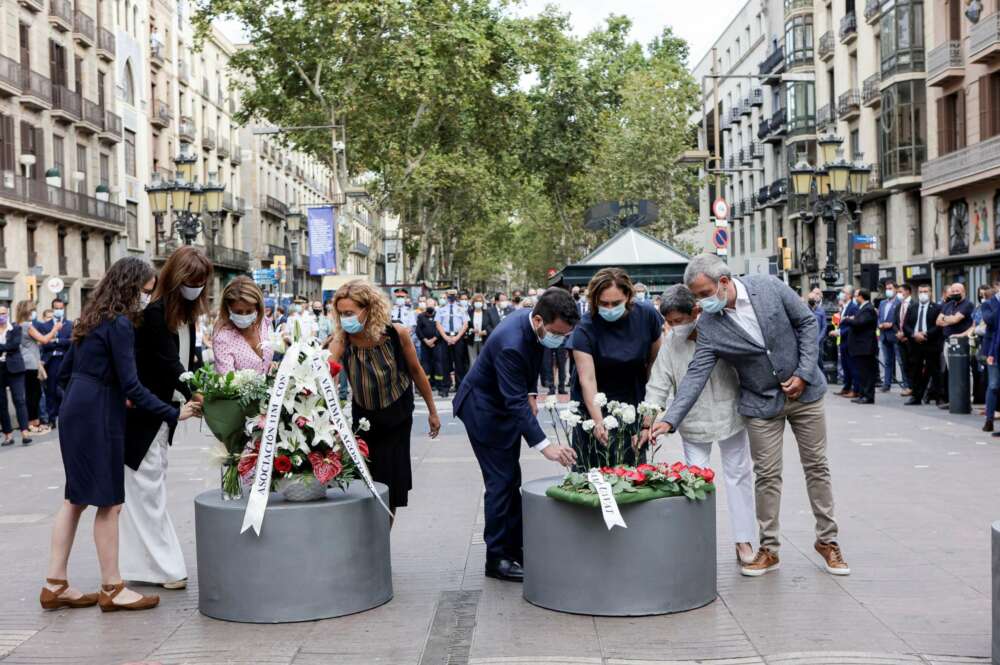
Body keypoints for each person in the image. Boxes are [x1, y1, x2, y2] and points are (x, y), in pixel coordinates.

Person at [651, 254, 849, 578]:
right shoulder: (710, 327)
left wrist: (803, 372)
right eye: (695, 297)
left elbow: (807, 323)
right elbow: (695, 376)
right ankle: (768, 549)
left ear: (724, 283)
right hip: (760, 403)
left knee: (816, 467)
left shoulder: (769, 287)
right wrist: (669, 419)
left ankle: (828, 542)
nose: (699, 303)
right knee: (766, 475)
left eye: (703, 294)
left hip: (805, 394)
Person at [43, 257, 199, 612]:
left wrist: (73, 407)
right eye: (146, 291)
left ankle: (55, 583)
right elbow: (132, 385)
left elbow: (63, 374)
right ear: (131, 288)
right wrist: (175, 411)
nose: (148, 298)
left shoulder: (90, 318)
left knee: (75, 499)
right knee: (109, 503)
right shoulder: (121, 324)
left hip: (76, 409)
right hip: (99, 410)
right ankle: (113, 588)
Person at [454, 288, 579, 582]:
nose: (559, 341)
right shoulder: (511, 342)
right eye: (557, 334)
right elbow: (514, 403)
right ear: (538, 320)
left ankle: (515, 548)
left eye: (565, 335)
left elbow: (534, 360)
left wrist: (532, 392)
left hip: (502, 403)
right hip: (483, 410)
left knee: (511, 479)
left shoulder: (532, 325)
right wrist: (546, 446)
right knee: (501, 483)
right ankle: (497, 558)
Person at [119, 246, 211, 591]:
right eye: (192, 281)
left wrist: (203, 391)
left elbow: (189, 363)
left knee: (146, 490)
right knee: (145, 490)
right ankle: (166, 568)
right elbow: (171, 366)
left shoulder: (181, 317)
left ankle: (150, 566)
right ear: (175, 279)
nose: (197, 287)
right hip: (146, 414)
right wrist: (198, 395)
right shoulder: (157, 315)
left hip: (157, 416)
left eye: (201, 282)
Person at [644, 285, 756, 565]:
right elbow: (658, 383)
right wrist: (649, 420)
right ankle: (698, 540)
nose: (674, 327)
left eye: (678, 321)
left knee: (739, 476)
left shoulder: (721, 328)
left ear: (695, 311)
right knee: (696, 479)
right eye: (669, 323)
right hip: (691, 420)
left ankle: (744, 540)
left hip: (730, 413)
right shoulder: (670, 343)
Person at [328, 281, 441, 517]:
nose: (345, 318)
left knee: (391, 485)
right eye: (341, 314)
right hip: (364, 418)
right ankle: (370, 537)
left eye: (349, 313)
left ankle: (381, 540)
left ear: (367, 309)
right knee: (366, 482)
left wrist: (432, 411)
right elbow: (328, 373)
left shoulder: (395, 333)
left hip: (397, 415)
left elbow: (416, 371)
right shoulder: (341, 340)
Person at [570, 268, 663, 469]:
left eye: (616, 303)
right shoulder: (584, 327)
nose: (610, 308)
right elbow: (587, 380)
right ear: (594, 301)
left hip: (633, 397)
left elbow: (656, 366)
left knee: (632, 469)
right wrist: (598, 421)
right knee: (593, 470)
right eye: (603, 304)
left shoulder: (647, 316)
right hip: (594, 400)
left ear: (628, 296)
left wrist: (649, 418)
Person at [211, 276, 274, 374]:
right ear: (228, 308)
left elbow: (265, 362)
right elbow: (228, 383)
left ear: (257, 307)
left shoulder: (263, 323)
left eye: (249, 311)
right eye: (238, 312)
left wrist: (271, 368)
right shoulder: (222, 338)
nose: (244, 316)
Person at [15, 300, 60, 434]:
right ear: (27, 312)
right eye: (32, 310)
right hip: (30, 364)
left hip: (26, 362)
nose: (33, 313)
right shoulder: (27, 326)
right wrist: (55, 329)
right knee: (34, 394)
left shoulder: (19, 325)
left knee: (32, 393)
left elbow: (32, 342)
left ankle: (33, 422)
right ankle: (33, 423)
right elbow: (44, 339)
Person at [902, 284, 944, 406]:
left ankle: (938, 397)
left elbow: (938, 326)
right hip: (915, 344)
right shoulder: (912, 307)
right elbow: (905, 325)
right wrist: (914, 334)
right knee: (915, 371)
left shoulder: (937, 308)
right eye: (920, 291)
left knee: (935, 371)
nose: (923, 294)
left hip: (930, 343)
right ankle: (916, 396)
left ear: (930, 293)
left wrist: (925, 334)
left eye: (925, 291)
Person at [937, 283, 974, 409]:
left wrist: (947, 319)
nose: (954, 293)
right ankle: (955, 399)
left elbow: (955, 320)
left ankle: (967, 398)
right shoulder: (948, 305)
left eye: (957, 291)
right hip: (947, 341)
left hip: (962, 341)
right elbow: (938, 321)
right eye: (952, 291)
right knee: (952, 371)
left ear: (964, 292)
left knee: (965, 371)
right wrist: (950, 318)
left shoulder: (967, 304)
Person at [38, 299, 73, 429]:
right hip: (51, 361)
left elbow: (71, 341)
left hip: (65, 360)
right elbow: (44, 343)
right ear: (52, 309)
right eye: (56, 307)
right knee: (51, 391)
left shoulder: (69, 325)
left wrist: (56, 340)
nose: (59, 309)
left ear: (64, 308)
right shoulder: (45, 325)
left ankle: (67, 417)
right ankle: (52, 419)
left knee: (66, 390)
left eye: (61, 307)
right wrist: (56, 342)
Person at [0, 305, 31, 446]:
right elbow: (10, 346)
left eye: (4, 313)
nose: (2, 315)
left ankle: (25, 432)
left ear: (8, 313)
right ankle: (8, 435)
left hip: (15, 369)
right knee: (1, 404)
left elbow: (14, 345)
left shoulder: (15, 328)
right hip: (0, 370)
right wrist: (6, 346)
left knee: (19, 400)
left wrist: (3, 347)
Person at [842, 288, 878, 404]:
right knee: (861, 373)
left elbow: (859, 323)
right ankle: (862, 394)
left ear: (861, 296)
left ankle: (868, 396)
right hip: (860, 347)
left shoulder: (868, 309)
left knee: (867, 373)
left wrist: (846, 319)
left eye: (856, 295)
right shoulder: (862, 308)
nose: (855, 297)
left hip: (865, 347)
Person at [434, 289, 470, 397]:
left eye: (454, 295)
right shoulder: (441, 309)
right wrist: (446, 337)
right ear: (447, 295)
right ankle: (445, 388)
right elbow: (438, 324)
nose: (452, 296)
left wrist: (456, 338)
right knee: (445, 363)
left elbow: (465, 325)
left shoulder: (462, 309)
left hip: (458, 338)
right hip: (445, 337)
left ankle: (460, 387)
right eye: (450, 295)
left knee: (459, 364)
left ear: (456, 296)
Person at [830, 286, 859, 398]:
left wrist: (840, 332)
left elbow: (853, 325)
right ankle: (846, 387)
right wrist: (838, 330)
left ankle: (855, 389)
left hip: (850, 341)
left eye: (844, 292)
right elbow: (841, 323)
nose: (841, 294)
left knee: (852, 366)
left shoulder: (853, 307)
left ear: (850, 295)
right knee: (845, 366)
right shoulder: (843, 307)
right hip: (842, 341)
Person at [877, 281, 900, 393]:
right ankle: (887, 384)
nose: (888, 291)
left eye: (890, 288)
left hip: (895, 335)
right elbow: (879, 316)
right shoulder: (882, 303)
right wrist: (879, 324)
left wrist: (891, 324)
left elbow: (901, 318)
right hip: (884, 335)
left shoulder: (900, 302)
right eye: (887, 288)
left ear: (896, 289)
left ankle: (906, 384)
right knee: (887, 361)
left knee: (900, 361)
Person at [983, 281, 1000, 432]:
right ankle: (989, 419)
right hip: (993, 349)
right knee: (994, 384)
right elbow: (990, 321)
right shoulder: (989, 303)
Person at [416, 297, 442, 392]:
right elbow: (418, 330)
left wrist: (434, 339)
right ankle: (428, 385)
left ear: (435, 305)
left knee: (438, 364)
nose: (430, 306)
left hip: (437, 344)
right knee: (425, 364)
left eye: (432, 305)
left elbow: (440, 329)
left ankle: (439, 385)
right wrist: (425, 340)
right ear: (426, 306)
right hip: (425, 344)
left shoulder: (439, 316)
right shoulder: (421, 316)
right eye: (428, 305)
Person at [894, 284, 914, 396]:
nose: (898, 294)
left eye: (900, 291)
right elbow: (895, 322)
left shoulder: (914, 305)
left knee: (913, 364)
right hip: (900, 339)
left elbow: (914, 322)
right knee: (904, 364)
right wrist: (898, 332)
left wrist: (906, 334)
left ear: (907, 292)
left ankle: (914, 386)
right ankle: (908, 386)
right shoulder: (898, 306)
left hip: (910, 339)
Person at [468, 293, 490, 365]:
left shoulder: (487, 313)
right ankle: (473, 376)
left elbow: (490, 325)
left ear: (483, 303)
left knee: (483, 360)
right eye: (476, 301)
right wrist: (471, 330)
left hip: (483, 339)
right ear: (473, 302)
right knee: (473, 361)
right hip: (472, 339)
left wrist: (486, 331)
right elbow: (466, 326)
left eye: (480, 301)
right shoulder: (469, 313)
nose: (478, 303)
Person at [809, 292, 827, 374]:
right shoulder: (805, 309)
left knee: (819, 360)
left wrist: (819, 338)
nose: (812, 302)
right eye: (810, 300)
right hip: (809, 340)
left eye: (813, 300)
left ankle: (822, 377)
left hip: (818, 341)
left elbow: (824, 326)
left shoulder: (821, 311)